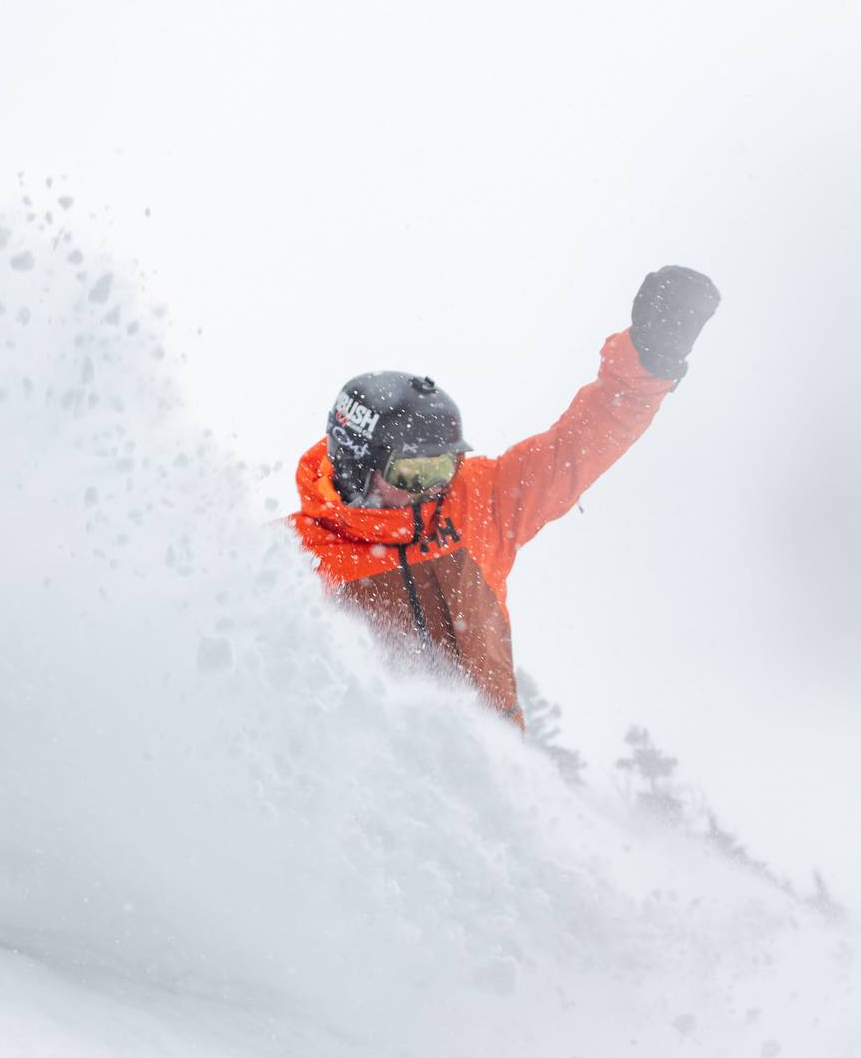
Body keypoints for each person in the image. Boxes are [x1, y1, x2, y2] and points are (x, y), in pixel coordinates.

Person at [288, 266, 721, 725]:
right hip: (381, 777)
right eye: (416, 471)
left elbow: (578, 446)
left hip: (491, 774)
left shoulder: (477, 502)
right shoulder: (292, 560)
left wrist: (647, 362)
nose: (434, 489)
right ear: (357, 462)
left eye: (444, 468)